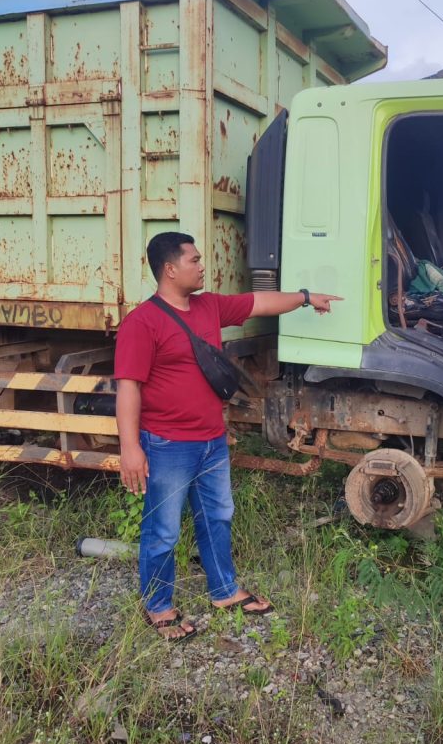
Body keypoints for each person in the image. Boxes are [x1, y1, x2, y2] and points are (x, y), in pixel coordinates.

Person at [114, 231, 342, 641]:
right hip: (167, 445)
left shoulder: (209, 306)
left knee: (218, 516)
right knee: (163, 530)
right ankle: (158, 606)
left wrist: (306, 297)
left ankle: (223, 592)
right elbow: (128, 386)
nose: (203, 266)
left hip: (212, 441)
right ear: (169, 269)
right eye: (194, 260)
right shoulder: (141, 322)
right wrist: (131, 448)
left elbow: (260, 303)